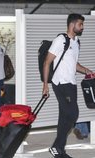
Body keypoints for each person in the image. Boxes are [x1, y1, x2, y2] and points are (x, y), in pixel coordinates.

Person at [43, 13, 93, 158]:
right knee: (73, 114)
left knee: (64, 116)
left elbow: (74, 63)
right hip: (60, 83)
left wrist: (87, 70)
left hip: (71, 83)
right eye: (80, 24)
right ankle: (56, 147)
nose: (82, 27)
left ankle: (60, 151)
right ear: (72, 25)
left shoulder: (76, 42)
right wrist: (45, 84)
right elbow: (47, 62)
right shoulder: (60, 40)